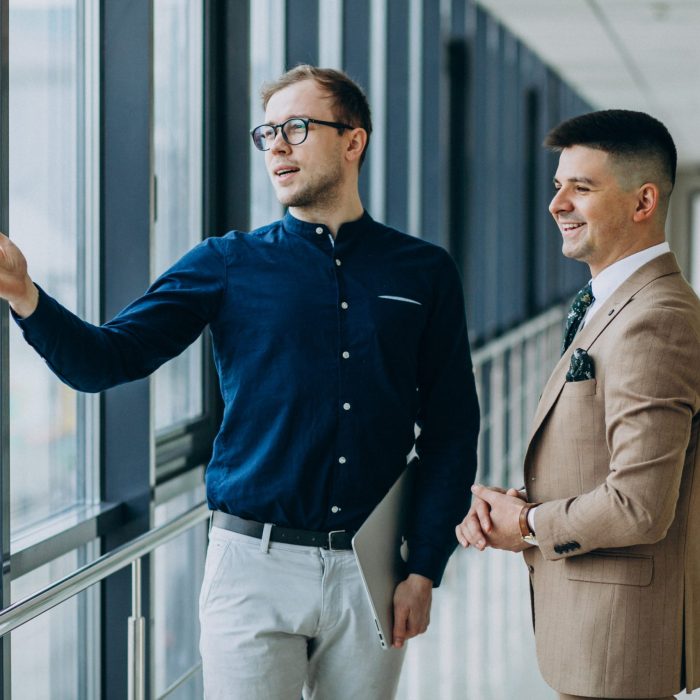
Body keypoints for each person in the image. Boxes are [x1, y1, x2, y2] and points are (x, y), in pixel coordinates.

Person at [0, 65, 480, 700]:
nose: (277, 146)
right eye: (268, 133)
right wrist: (24, 293)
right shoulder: (226, 263)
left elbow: (451, 428)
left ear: (353, 141)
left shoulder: (424, 272)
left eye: (298, 128)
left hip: (375, 568)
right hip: (252, 566)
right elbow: (105, 360)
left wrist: (424, 568)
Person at [456, 109, 700, 700]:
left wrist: (530, 525)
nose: (556, 204)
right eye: (557, 185)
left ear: (643, 203)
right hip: (595, 633)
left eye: (581, 187)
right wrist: (520, 504)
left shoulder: (656, 319)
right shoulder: (611, 303)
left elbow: (640, 505)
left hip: (618, 647)